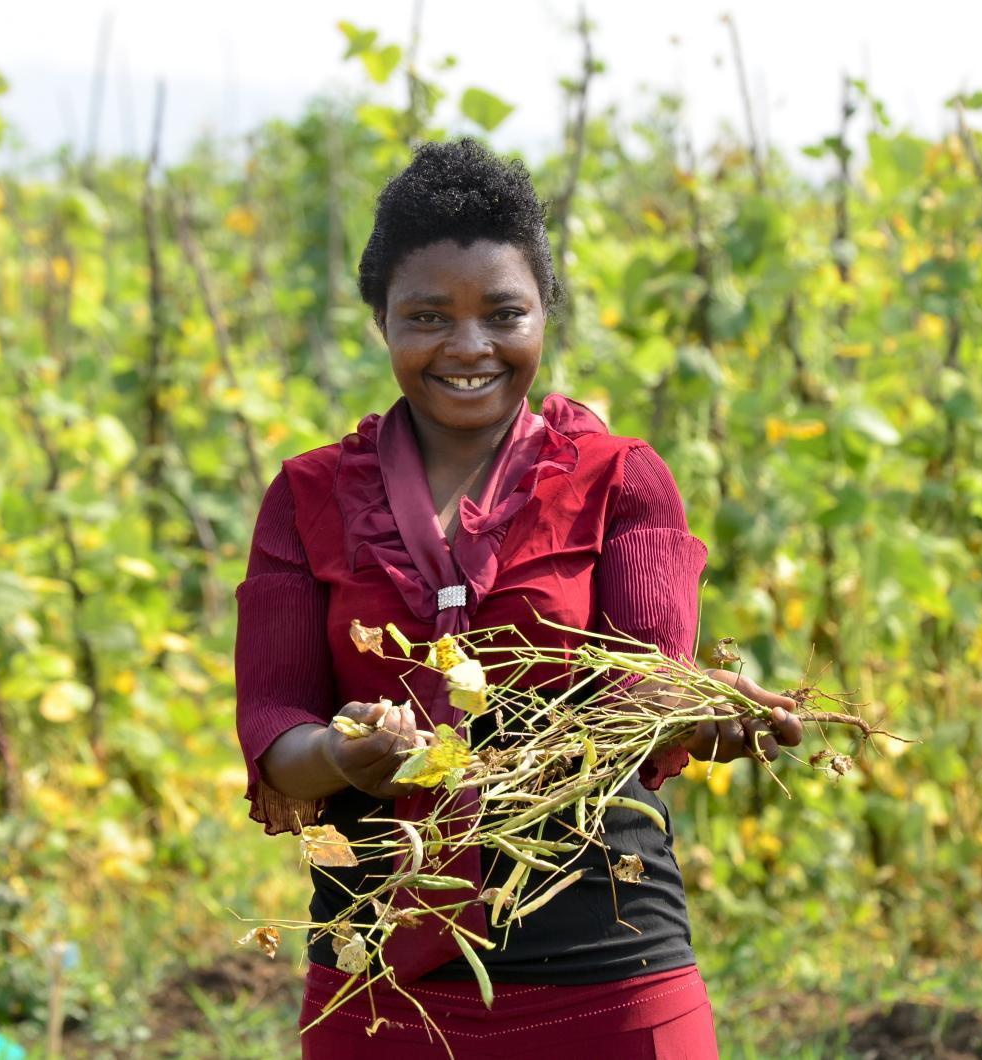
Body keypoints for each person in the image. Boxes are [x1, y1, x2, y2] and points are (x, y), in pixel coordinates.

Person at [234, 138, 803, 1058]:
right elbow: (270, 722)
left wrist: (705, 714)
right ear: (381, 319)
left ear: (545, 313)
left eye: (504, 313)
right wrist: (346, 755)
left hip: (608, 983)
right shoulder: (305, 498)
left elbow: (652, 682)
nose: (469, 348)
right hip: (379, 991)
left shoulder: (622, 479)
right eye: (427, 316)